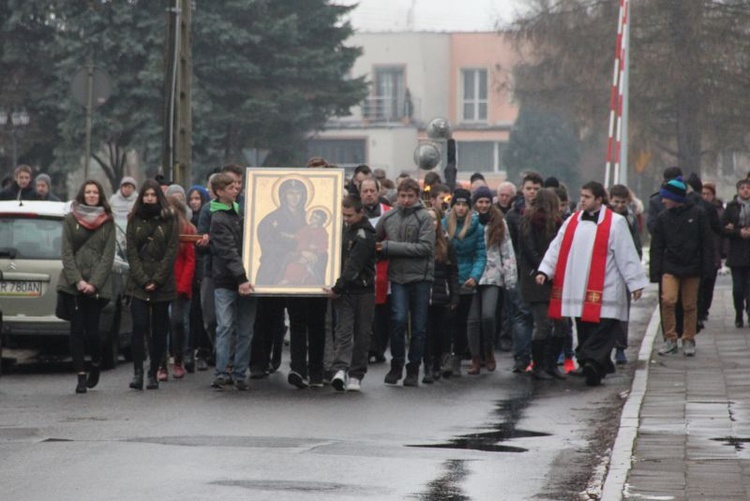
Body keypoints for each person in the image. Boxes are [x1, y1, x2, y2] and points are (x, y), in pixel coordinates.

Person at [536, 181, 648, 386]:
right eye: (581, 196)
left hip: (607, 287)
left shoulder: (615, 222)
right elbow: (556, 248)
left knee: (603, 329)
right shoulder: (572, 221)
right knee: (585, 328)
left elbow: (627, 254)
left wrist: (635, 282)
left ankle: (591, 362)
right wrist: (545, 270)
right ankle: (593, 365)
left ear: (599, 199)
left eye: (587, 197)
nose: (582, 200)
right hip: (579, 287)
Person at [57, 180, 116, 393]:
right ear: (82, 195)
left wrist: (94, 283)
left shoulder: (108, 221)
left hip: (96, 287)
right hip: (74, 286)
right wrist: (78, 281)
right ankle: (81, 375)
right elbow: (66, 253)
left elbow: (108, 257)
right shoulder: (71, 219)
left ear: (100, 196)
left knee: (93, 332)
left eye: (95, 192)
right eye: (88, 192)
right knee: (76, 330)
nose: (91, 195)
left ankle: (96, 362)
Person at [376, 178, 435, 387]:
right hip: (398, 277)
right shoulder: (389, 216)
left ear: (417, 196)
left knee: (418, 327)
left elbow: (425, 248)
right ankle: (397, 364)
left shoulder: (424, 218)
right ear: (397, 196)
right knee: (398, 320)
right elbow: (375, 239)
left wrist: (390, 247)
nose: (406, 200)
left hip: (421, 278)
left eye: (410, 196)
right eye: (402, 196)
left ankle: (413, 368)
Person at [126, 179, 179, 390]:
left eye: (153, 195)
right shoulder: (134, 218)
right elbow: (131, 251)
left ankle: (153, 372)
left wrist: (156, 279)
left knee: (159, 330)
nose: (149, 199)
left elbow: (171, 250)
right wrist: (143, 279)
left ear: (159, 197)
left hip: (162, 283)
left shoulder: (169, 219)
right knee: (139, 326)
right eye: (146, 195)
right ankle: (138, 372)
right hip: (138, 283)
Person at [651, 177, 712, 356]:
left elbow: (706, 242)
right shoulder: (663, 217)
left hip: (692, 267)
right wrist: (655, 271)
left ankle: (688, 338)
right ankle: (670, 337)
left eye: (666, 197)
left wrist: (707, 267)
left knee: (690, 304)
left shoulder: (698, 214)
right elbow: (657, 246)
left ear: (675, 198)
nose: (663, 201)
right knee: (668, 300)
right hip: (670, 267)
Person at [209, 173, 257, 390]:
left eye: (236, 186)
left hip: (245, 279)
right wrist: (242, 278)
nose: (235, 189)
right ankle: (221, 372)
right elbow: (228, 252)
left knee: (246, 329)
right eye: (230, 187)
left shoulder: (239, 212)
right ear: (219, 192)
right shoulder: (218, 218)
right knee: (225, 327)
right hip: (228, 281)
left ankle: (239, 373)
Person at [323, 195, 376, 392]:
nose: (346, 219)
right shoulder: (345, 230)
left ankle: (356, 374)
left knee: (362, 333)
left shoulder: (364, 235)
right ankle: (340, 369)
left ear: (360, 212)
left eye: (350, 215)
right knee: (343, 331)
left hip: (362, 290)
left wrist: (337, 288)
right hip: (346, 290)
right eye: (344, 215)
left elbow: (353, 265)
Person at [519, 188, 565, 380]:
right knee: (544, 323)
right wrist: (545, 269)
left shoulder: (557, 224)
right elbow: (530, 252)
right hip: (536, 279)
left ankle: (550, 364)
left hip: (550, 277)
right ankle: (540, 365)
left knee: (560, 324)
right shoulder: (529, 222)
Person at [443, 188, 486, 377]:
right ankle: (444, 356)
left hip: (467, 278)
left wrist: (475, 276)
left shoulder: (477, 227)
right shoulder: (444, 225)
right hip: (448, 278)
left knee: (462, 322)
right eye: (457, 204)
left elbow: (480, 255)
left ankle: (457, 357)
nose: (460, 208)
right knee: (447, 320)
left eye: (464, 205)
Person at [505, 172, 543, 373]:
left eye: (536, 189)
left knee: (539, 316)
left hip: (539, 269)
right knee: (522, 313)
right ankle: (521, 357)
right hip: (520, 269)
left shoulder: (545, 213)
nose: (532, 193)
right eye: (529, 188)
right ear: (522, 189)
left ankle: (538, 358)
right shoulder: (513, 215)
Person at [423, 206, 458, 383]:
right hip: (423, 296)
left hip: (441, 295)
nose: (431, 223)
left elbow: (452, 272)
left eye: (434, 219)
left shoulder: (446, 244)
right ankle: (427, 366)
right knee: (426, 333)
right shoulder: (418, 243)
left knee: (440, 333)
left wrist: (454, 296)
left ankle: (438, 364)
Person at [608, 184, 643, 365]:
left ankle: (620, 347)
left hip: (623, 270)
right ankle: (605, 345)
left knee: (623, 309)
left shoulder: (630, 219)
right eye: (616, 202)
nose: (619, 205)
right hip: (606, 268)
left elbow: (636, 245)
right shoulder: (604, 217)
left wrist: (634, 271)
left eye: (622, 202)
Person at [360, 177, 391, 363]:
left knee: (382, 313)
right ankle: (367, 347)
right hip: (362, 268)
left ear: (378, 192)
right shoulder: (353, 213)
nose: (369, 194)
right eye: (365, 191)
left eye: (372, 190)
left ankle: (379, 348)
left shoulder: (388, 213)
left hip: (383, 268)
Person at [164, 195, 196, 380]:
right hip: (161, 283)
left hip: (179, 284)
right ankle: (161, 364)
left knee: (177, 322)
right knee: (161, 324)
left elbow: (190, 261)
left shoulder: (186, 229)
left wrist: (183, 286)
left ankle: (178, 359)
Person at [187, 185, 211, 371]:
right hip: (189, 276)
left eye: (197, 199)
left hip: (203, 274)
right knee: (193, 315)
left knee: (206, 314)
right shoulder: (186, 222)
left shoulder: (207, 220)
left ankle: (205, 350)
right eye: (191, 199)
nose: (194, 202)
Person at [720, 178, 750, 328]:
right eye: (743, 188)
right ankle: (738, 312)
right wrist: (739, 232)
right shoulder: (731, 207)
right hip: (737, 252)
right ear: (738, 191)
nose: (746, 190)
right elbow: (723, 228)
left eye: (748, 188)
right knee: (738, 287)